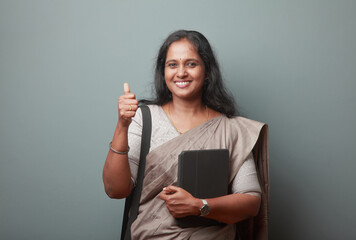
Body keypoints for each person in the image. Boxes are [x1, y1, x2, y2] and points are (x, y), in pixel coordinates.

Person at [103, 30, 269, 240]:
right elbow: (115, 190)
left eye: (191, 64)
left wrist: (200, 206)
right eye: (172, 64)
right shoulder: (144, 118)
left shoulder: (231, 129)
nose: (181, 72)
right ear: (163, 72)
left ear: (207, 71)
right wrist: (122, 125)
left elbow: (251, 202)